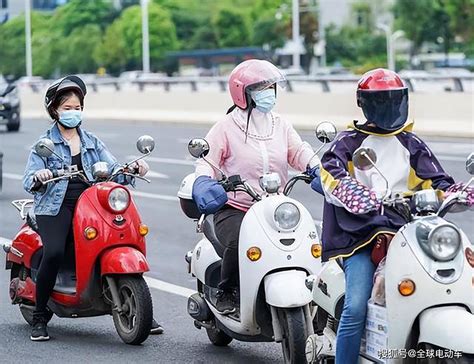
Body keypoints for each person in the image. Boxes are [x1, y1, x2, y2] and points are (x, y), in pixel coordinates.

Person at [317, 68, 474, 363]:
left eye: (394, 100)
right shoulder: (348, 143)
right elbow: (331, 177)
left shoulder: (410, 143)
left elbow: (437, 180)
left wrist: (459, 193)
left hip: (408, 233)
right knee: (355, 308)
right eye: (381, 101)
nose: (389, 106)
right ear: (365, 104)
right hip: (361, 237)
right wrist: (357, 194)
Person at [22, 75, 163, 341]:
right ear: (54, 110)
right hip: (55, 205)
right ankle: (40, 317)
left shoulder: (91, 141)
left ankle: (138, 307)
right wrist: (39, 177)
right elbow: (29, 179)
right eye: (67, 108)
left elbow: (112, 168)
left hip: (90, 204)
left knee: (120, 236)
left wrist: (132, 167)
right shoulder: (45, 143)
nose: (73, 113)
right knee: (53, 252)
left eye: (77, 108)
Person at [192, 59, 321, 314]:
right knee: (239, 241)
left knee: (307, 238)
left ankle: (313, 292)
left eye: (271, 86)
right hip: (236, 206)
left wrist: (316, 168)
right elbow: (207, 161)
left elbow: (299, 151)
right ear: (243, 92)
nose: (268, 91)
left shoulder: (280, 124)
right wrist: (204, 182)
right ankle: (227, 291)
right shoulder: (226, 127)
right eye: (261, 86)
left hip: (274, 208)